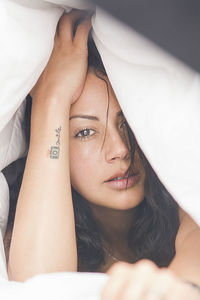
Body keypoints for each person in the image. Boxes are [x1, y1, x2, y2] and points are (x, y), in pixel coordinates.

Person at [3, 10, 200, 299]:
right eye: (85, 132)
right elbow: (40, 288)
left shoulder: (183, 201)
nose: (119, 150)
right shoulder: (24, 232)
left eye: (127, 123)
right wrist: (52, 98)